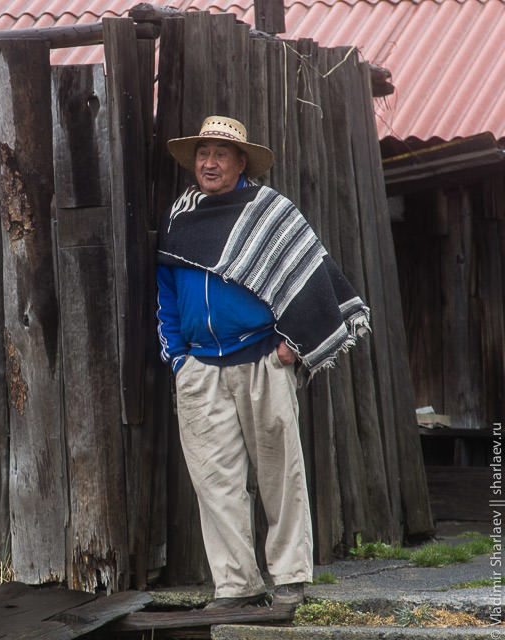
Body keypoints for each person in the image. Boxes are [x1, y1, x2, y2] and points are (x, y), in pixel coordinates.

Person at [156, 115, 370, 609]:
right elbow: (166, 293)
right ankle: (236, 587)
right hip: (200, 369)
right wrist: (178, 357)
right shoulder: (179, 218)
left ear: (241, 162)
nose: (210, 163)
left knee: (281, 474)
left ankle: (290, 582)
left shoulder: (268, 211)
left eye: (221, 155)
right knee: (215, 483)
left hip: (261, 362)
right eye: (203, 154)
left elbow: (310, 278)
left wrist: (292, 344)